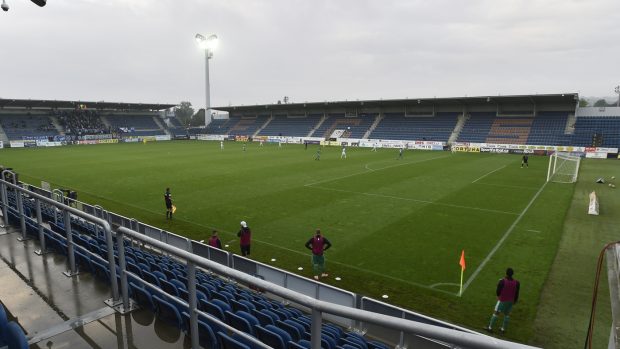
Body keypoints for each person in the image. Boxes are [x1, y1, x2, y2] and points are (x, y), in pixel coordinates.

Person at [485, 268, 520, 334]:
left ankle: (490, 328)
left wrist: (498, 284)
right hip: (511, 301)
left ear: (506, 273)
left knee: (496, 313)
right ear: (512, 274)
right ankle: (503, 329)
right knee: (507, 314)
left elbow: (498, 293)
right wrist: (514, 301)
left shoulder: (502, 281)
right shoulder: (517, 283)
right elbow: (517, 293)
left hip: (502, 300)